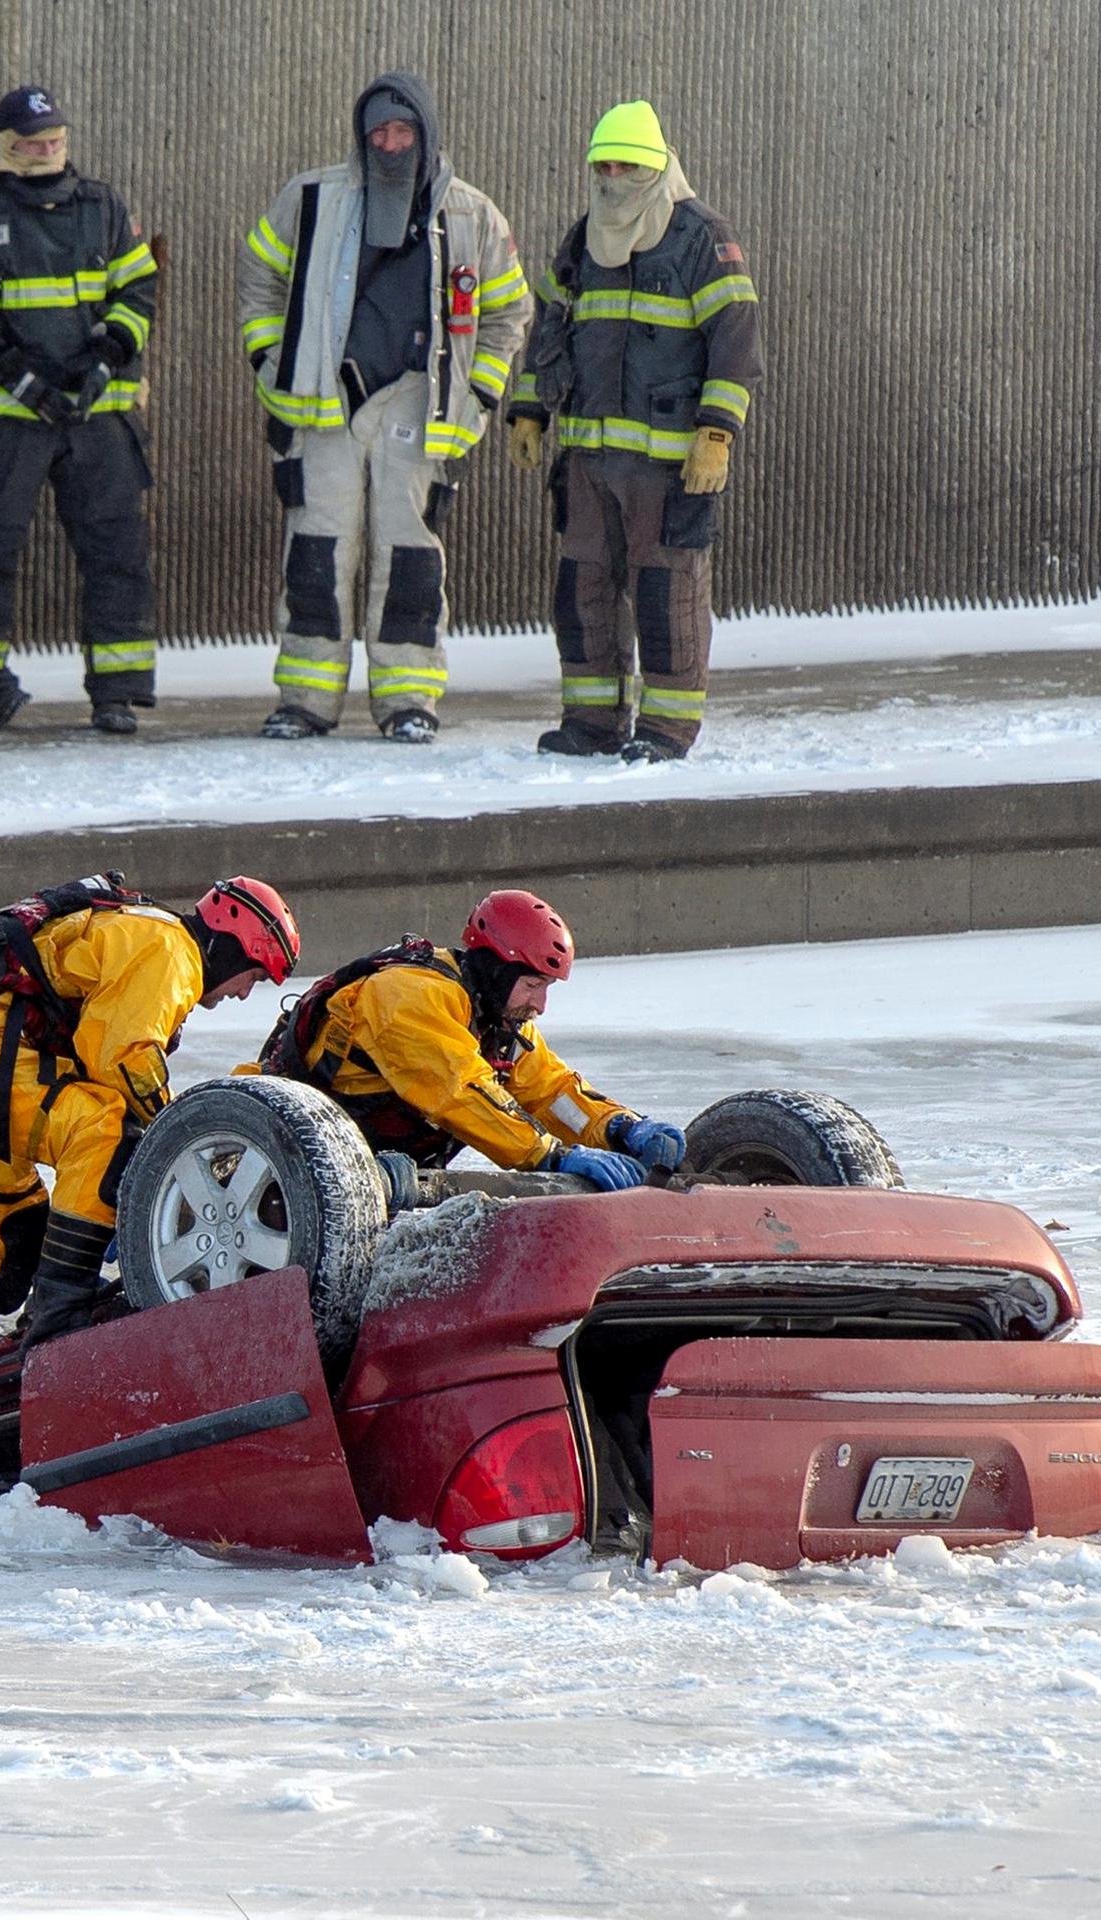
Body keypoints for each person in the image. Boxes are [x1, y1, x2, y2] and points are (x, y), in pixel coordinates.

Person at [236, 71, 526, 746]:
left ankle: (408, 701)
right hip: (323, 405)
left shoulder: (471, 215)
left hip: (418, 411)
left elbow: (507, 312)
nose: (389, 144)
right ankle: (305, 700)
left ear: (425, 135)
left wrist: (477, 396)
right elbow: (259, 282)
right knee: (314, 554)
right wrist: (270, 365)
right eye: (377, 132)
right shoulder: (309, 200)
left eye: (403, 132)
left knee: (410, 559)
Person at [0, 875, 300, 1355]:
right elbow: (122, 1057)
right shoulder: (171, 950)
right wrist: (173, 1140)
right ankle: (57, 1328)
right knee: (104, 1130)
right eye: (254, 976)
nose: (243, 994)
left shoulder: (146, 933)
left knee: (3, 1224)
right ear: (238, 948)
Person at [509, 100, 763, 762]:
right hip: (590, 463)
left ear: (657, 167)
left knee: (665, 595)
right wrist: (529, 408)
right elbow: (550, 329)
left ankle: (665, 729)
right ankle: (590, 724)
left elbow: (734, 341)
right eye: (603, 164)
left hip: (668, 466)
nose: (613, 177)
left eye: (627, 165)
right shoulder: (583, 237)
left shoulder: (699, 238)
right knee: (582, 593)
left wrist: (716, 433)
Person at [0, 85, 160, 735]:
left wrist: (108, 352)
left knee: (115, 549)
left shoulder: (102, 206)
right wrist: (8, 369)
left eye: (53, 138)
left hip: (95, 415)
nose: (45, 151)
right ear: (6, 146)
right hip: (1, 419)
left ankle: (118, 689)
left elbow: (137, 289)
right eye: (31, 142)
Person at [255, 888, 681, 1188]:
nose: (541, 1005)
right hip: (276, 1151)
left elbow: (550, 1092)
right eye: (534, 985)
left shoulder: (499, 1020)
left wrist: (620, 1129)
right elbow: (458, 1090)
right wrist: (549, 1154)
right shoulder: (410, 995)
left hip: (365, 1160)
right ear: (499, 969)